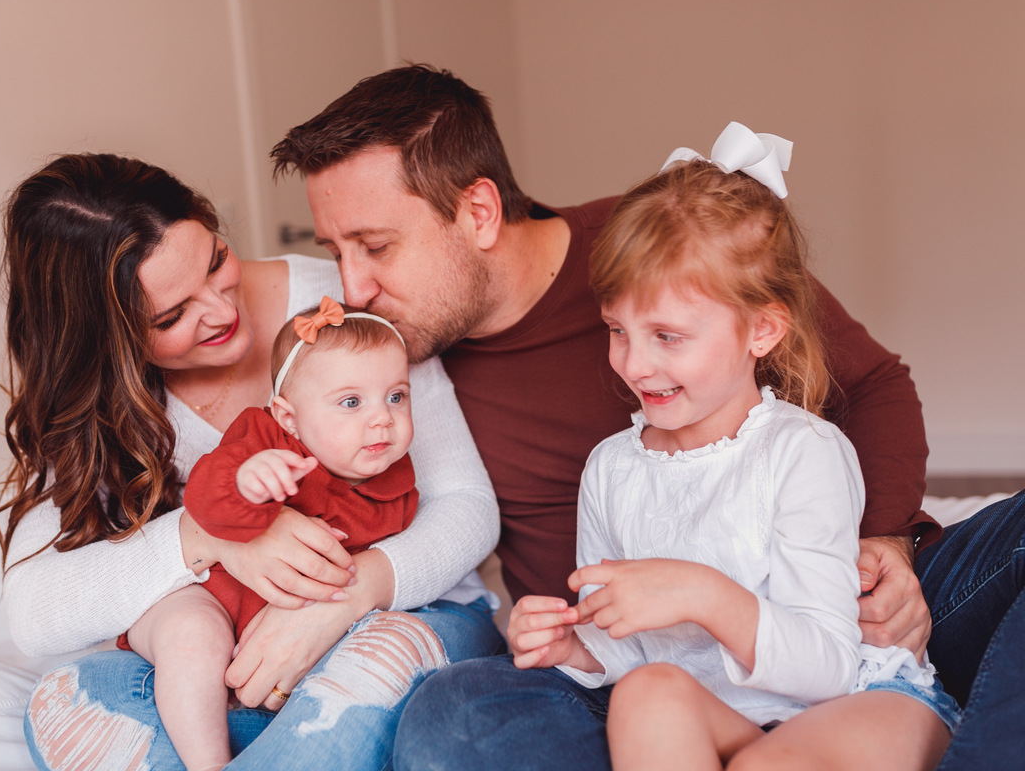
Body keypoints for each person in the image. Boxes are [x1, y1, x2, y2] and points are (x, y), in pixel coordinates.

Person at [267, 64, 1025, 768]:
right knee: (453, 717)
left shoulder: (664, 246)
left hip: (833, 611)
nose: (352, 287)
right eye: (334, 251)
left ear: (480, 211)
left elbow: (878, 386)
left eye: (375, 246)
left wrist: (885, 542)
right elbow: (220, 294)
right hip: (639, 663)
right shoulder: (388, 356)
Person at [0, 153, 503, 771]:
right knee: (71, 702)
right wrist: (210, 536)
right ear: (105, 339)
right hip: (236, 660)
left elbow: (466, 506)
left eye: (215, 262)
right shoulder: (95, 404)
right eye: (171, 316)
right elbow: (33, 614)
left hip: (401, 615)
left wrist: (350, 596)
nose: (221, 310)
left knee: (372, 665)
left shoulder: (344, 308)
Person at [507, 129, 956, 770]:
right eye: (617, 330)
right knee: (644, 695)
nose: (634, 364)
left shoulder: (802, 453)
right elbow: (634, 650)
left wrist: (702, 593)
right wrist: (573, 647)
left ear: (762, 330)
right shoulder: (611, 469)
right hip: (735, 716)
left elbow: (830, 665)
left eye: (667, 335)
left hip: (859, 701)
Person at [123, 298, 418, 770]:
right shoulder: (266, 443)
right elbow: (203, 500)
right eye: (351, 402)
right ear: (289, 417)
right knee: (193, 639)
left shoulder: (396, 483)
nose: (382, 417)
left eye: (396, 396)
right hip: (209, 596)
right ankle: (208, 764)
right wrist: (246, 482)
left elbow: (394, 568)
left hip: (280, 636)